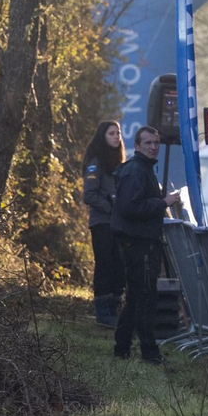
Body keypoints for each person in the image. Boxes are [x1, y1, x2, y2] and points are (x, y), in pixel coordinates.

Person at [110, 125, 182, 363]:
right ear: (137, 146)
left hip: (144, 240)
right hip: (138, 242)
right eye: (148, 143)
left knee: (137, 297)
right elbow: (130, 208)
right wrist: (164, 203)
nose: (153, 147)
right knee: (145, 297)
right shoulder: (134, 171)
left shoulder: (143, 169)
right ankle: (149, 352)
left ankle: (122, 347)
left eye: (156, 143)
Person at [80, 120, 127, 328]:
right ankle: (103, 309)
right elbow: (89, 195)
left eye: (118, 133)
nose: (116, 137)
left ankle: (115, 305)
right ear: (102, 137)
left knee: (120, 265)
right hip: (102, 223)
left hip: (118, 223)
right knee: (105, 265)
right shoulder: (95, 162)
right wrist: (110, 206)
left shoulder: (118, 163)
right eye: (111, 133)